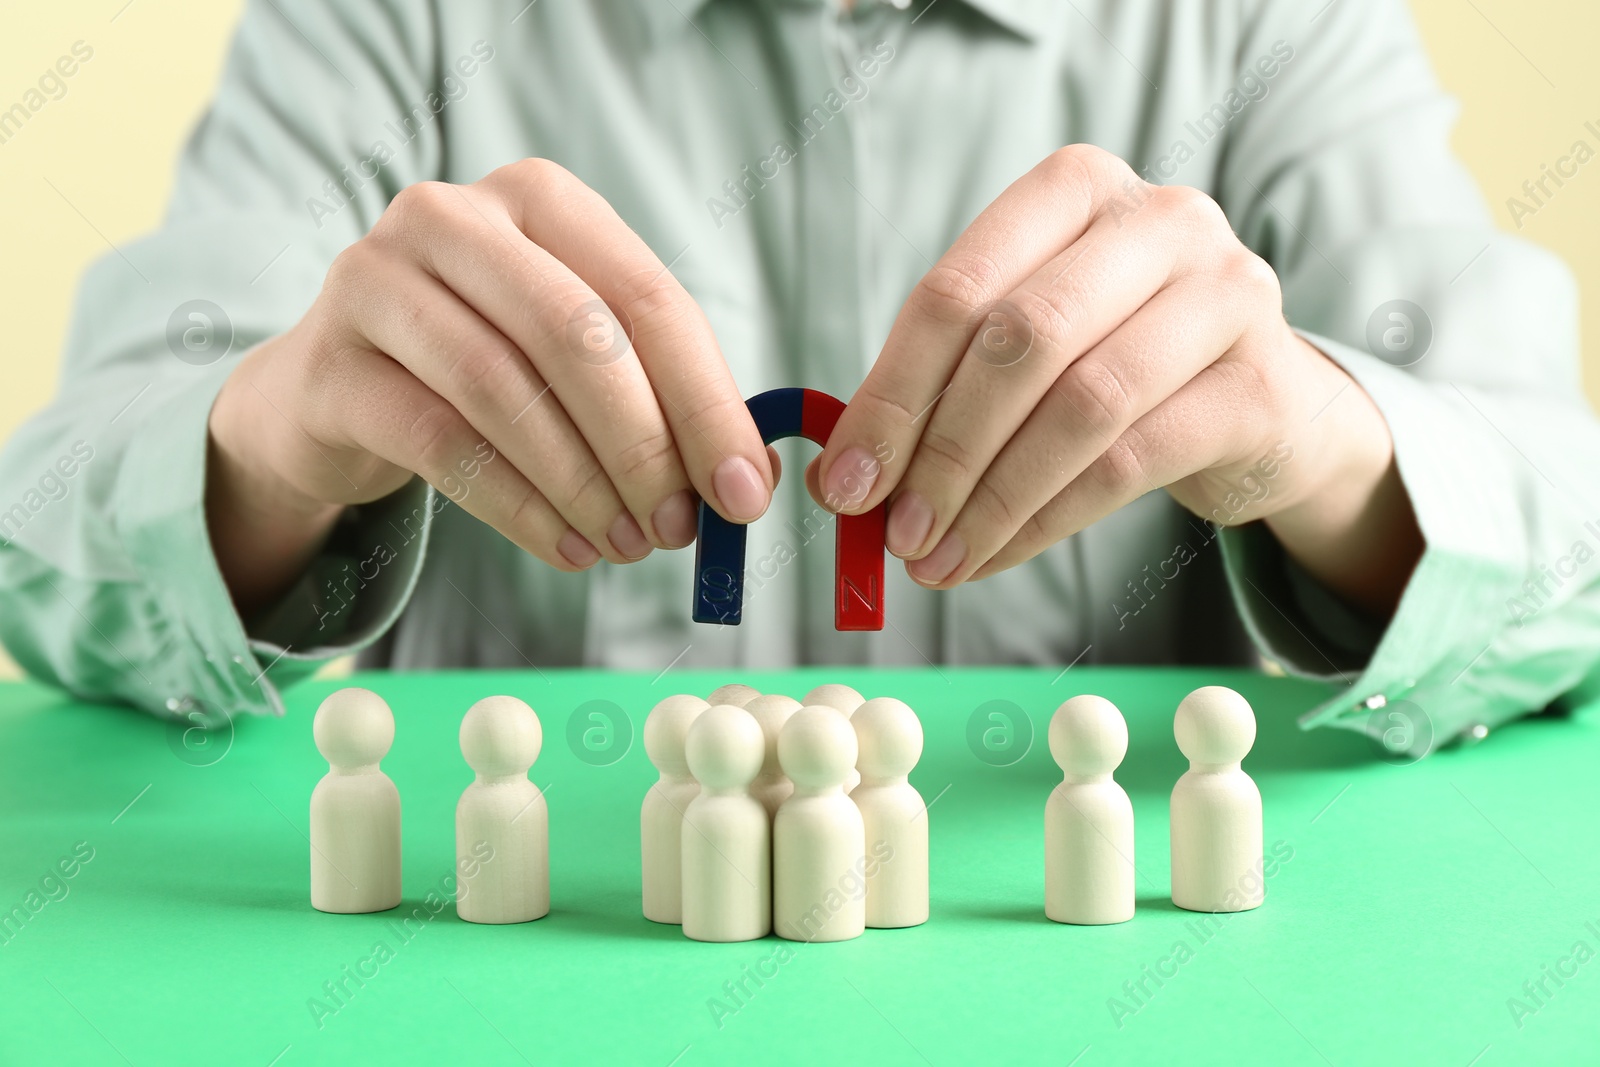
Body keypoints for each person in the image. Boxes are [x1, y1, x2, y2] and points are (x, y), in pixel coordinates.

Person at [1, 0, 1595, 757]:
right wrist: (273, 454)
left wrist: (1325, 454)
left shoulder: (1265, 24)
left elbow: (1566, 552)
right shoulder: (389, 21)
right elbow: (44, 532)